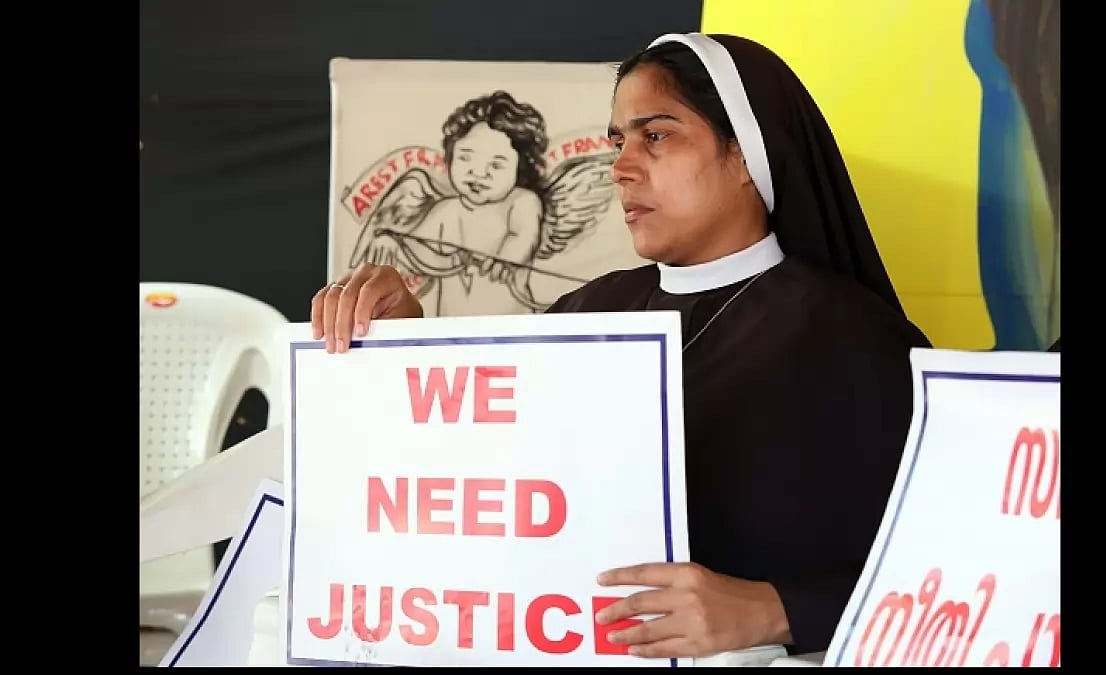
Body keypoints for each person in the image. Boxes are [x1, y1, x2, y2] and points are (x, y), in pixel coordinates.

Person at [312, 32, 931, 659]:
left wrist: (774, 611)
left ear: (748, 154)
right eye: (617, 142)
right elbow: (477, 482)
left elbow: (947, 567)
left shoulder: (853, 337)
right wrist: (399, 344)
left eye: (656, 136)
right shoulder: (588, 311)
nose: (621, 167)